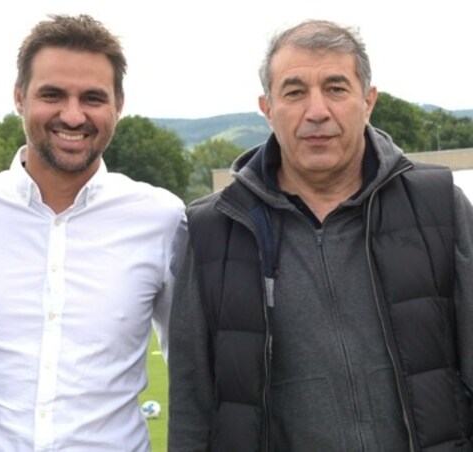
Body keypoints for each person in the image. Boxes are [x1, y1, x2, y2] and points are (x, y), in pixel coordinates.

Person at [168, 19, 473, 451]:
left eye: (336, 88)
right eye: (294, 92)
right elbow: (192, 405)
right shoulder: (215, 228)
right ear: (267, 107)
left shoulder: (438, 205)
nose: (317, 111)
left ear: (368, 101)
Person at [0, 14, 187, 451]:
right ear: (20, 98)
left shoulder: (162, 218)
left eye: (93, 97)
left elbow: (193, 371)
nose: (73, 114)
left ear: (118, 104)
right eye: (53, 94)